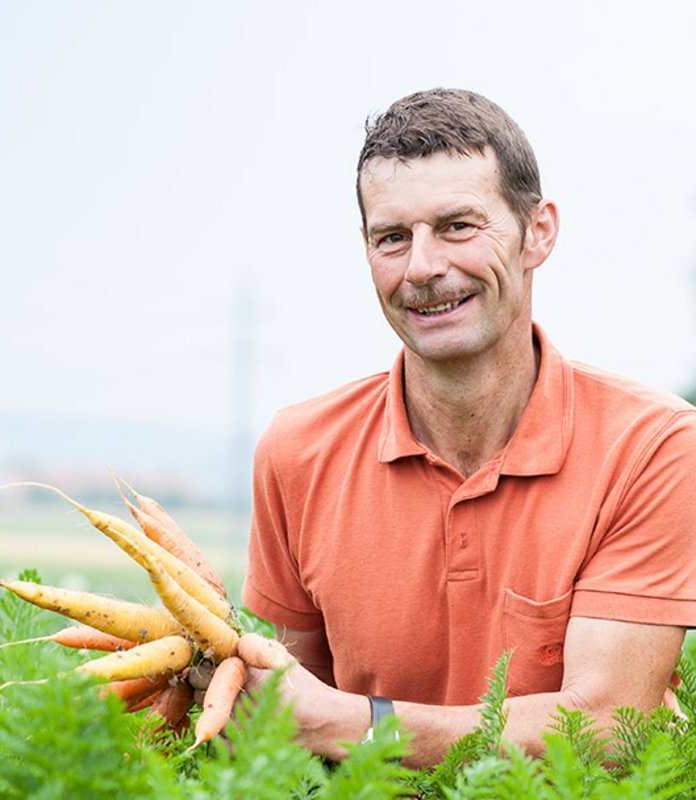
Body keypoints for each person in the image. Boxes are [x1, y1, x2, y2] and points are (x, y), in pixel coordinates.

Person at [239, 88, 696, 767]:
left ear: (538, 232)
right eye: (392, 237)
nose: (422, 268)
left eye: (458, 226)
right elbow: (285, 722)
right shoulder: (297, 450)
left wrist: (364, 726)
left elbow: (605, 728)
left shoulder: (653, 445)